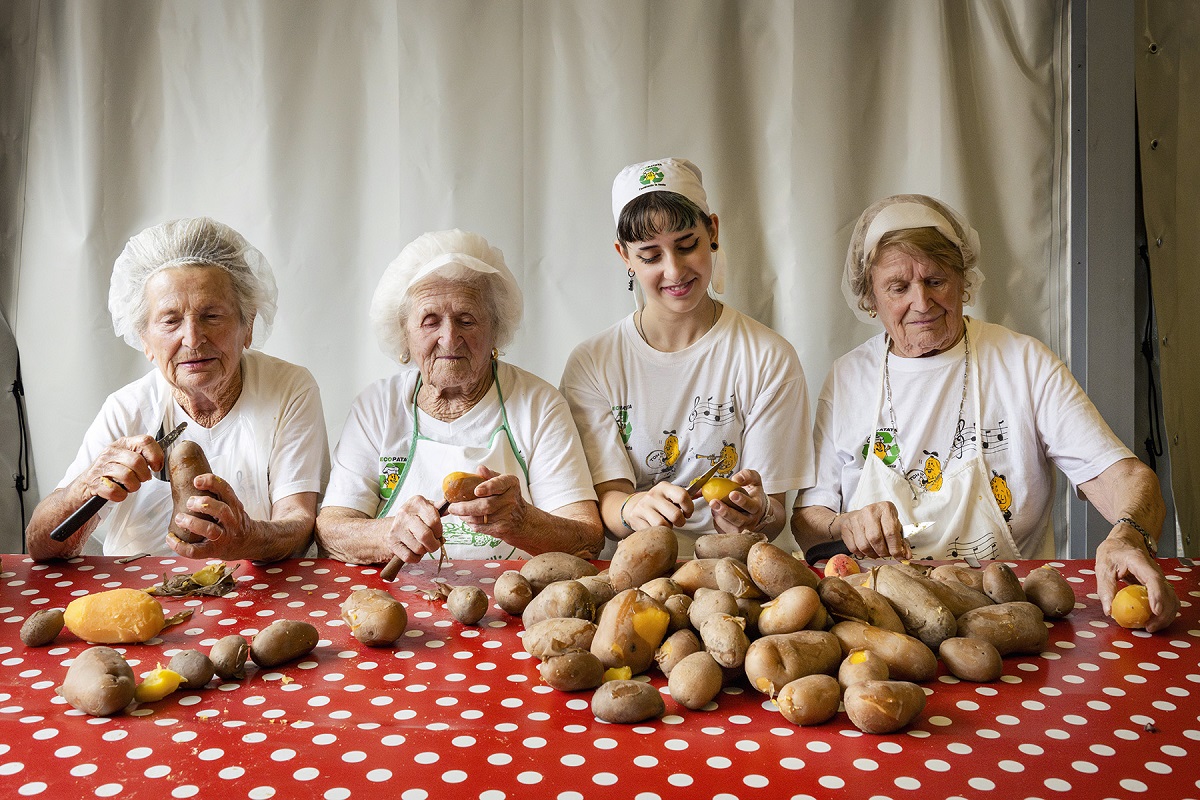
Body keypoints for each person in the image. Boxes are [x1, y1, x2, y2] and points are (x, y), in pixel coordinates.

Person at [791, 193, 1179, 631]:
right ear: (870, 297)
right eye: (898, 288)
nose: (921, 302)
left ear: (963, 280)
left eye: (936, 280)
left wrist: (1129, 535)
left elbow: (1124, 477)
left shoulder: (1022, 362)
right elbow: (807, 521)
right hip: (878, 619)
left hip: (1003, 617)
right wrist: (845, 523)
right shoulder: (847, 378)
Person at [27, 217, 330, 561]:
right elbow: (40, 546)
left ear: (248, 327)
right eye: (170, 320)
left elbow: (299, 524)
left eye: (212, 316)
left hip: (254, 588)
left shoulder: (289, 388)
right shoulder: (127, 408)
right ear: (145, 340)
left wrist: (245, 539)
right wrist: (85, 487)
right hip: (138, 594)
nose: (193, 338)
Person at [560, 157, 813, 558]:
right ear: (624, 256)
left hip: (741, 571)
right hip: (634, 572)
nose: (674, 271)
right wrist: (633, 507)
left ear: (712, 230)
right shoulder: (593, 363)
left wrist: (755, 511)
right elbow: (608, 500)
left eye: (687, 245)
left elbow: (775, 512)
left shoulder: (768, 357)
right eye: (650, 255)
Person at [316, 229, 602, 565]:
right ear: (404, 334)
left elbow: (588, 537)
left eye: (467, 320)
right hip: (396, 601)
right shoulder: (377, 406)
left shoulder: (538, 404)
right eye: (430, 321)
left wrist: (522, 523)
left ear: (496, 330)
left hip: (513, 599)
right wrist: (388, 534)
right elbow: (330, 532)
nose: (450, 339)